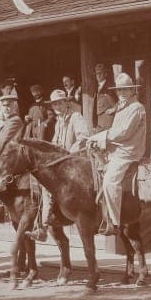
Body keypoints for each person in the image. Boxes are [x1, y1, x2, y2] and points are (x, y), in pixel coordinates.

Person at [86, 69, 147, 233]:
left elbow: (124, 132)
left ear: (133, 90)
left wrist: (101, 136)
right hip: (117, 150)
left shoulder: (136, 108)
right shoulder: (122, 107)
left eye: (125, 89)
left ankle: (114, 222)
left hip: (128, 152)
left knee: (110, 182)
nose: (122, 93)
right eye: (119, 90)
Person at [29, 88, 91, 240]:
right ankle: (43, 223)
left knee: (48, 186)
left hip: (75, 162)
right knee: (39, 179)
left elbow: (83, 137)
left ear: (66, 103)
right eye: (54, 104)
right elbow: (55, 143)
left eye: (60, 103)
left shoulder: (76, 117)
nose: (57, 107)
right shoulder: (59, 122)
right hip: (62, 163)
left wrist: (68, 153)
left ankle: (43, 226)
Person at [94, 62, 117, 129]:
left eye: (100, 73)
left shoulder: (111, 86)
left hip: (109, 120)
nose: (98, 76)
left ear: (105, 74)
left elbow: (121, 100)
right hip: (99, 121)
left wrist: (114, 109)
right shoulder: (95, 87)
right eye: (97, 74)